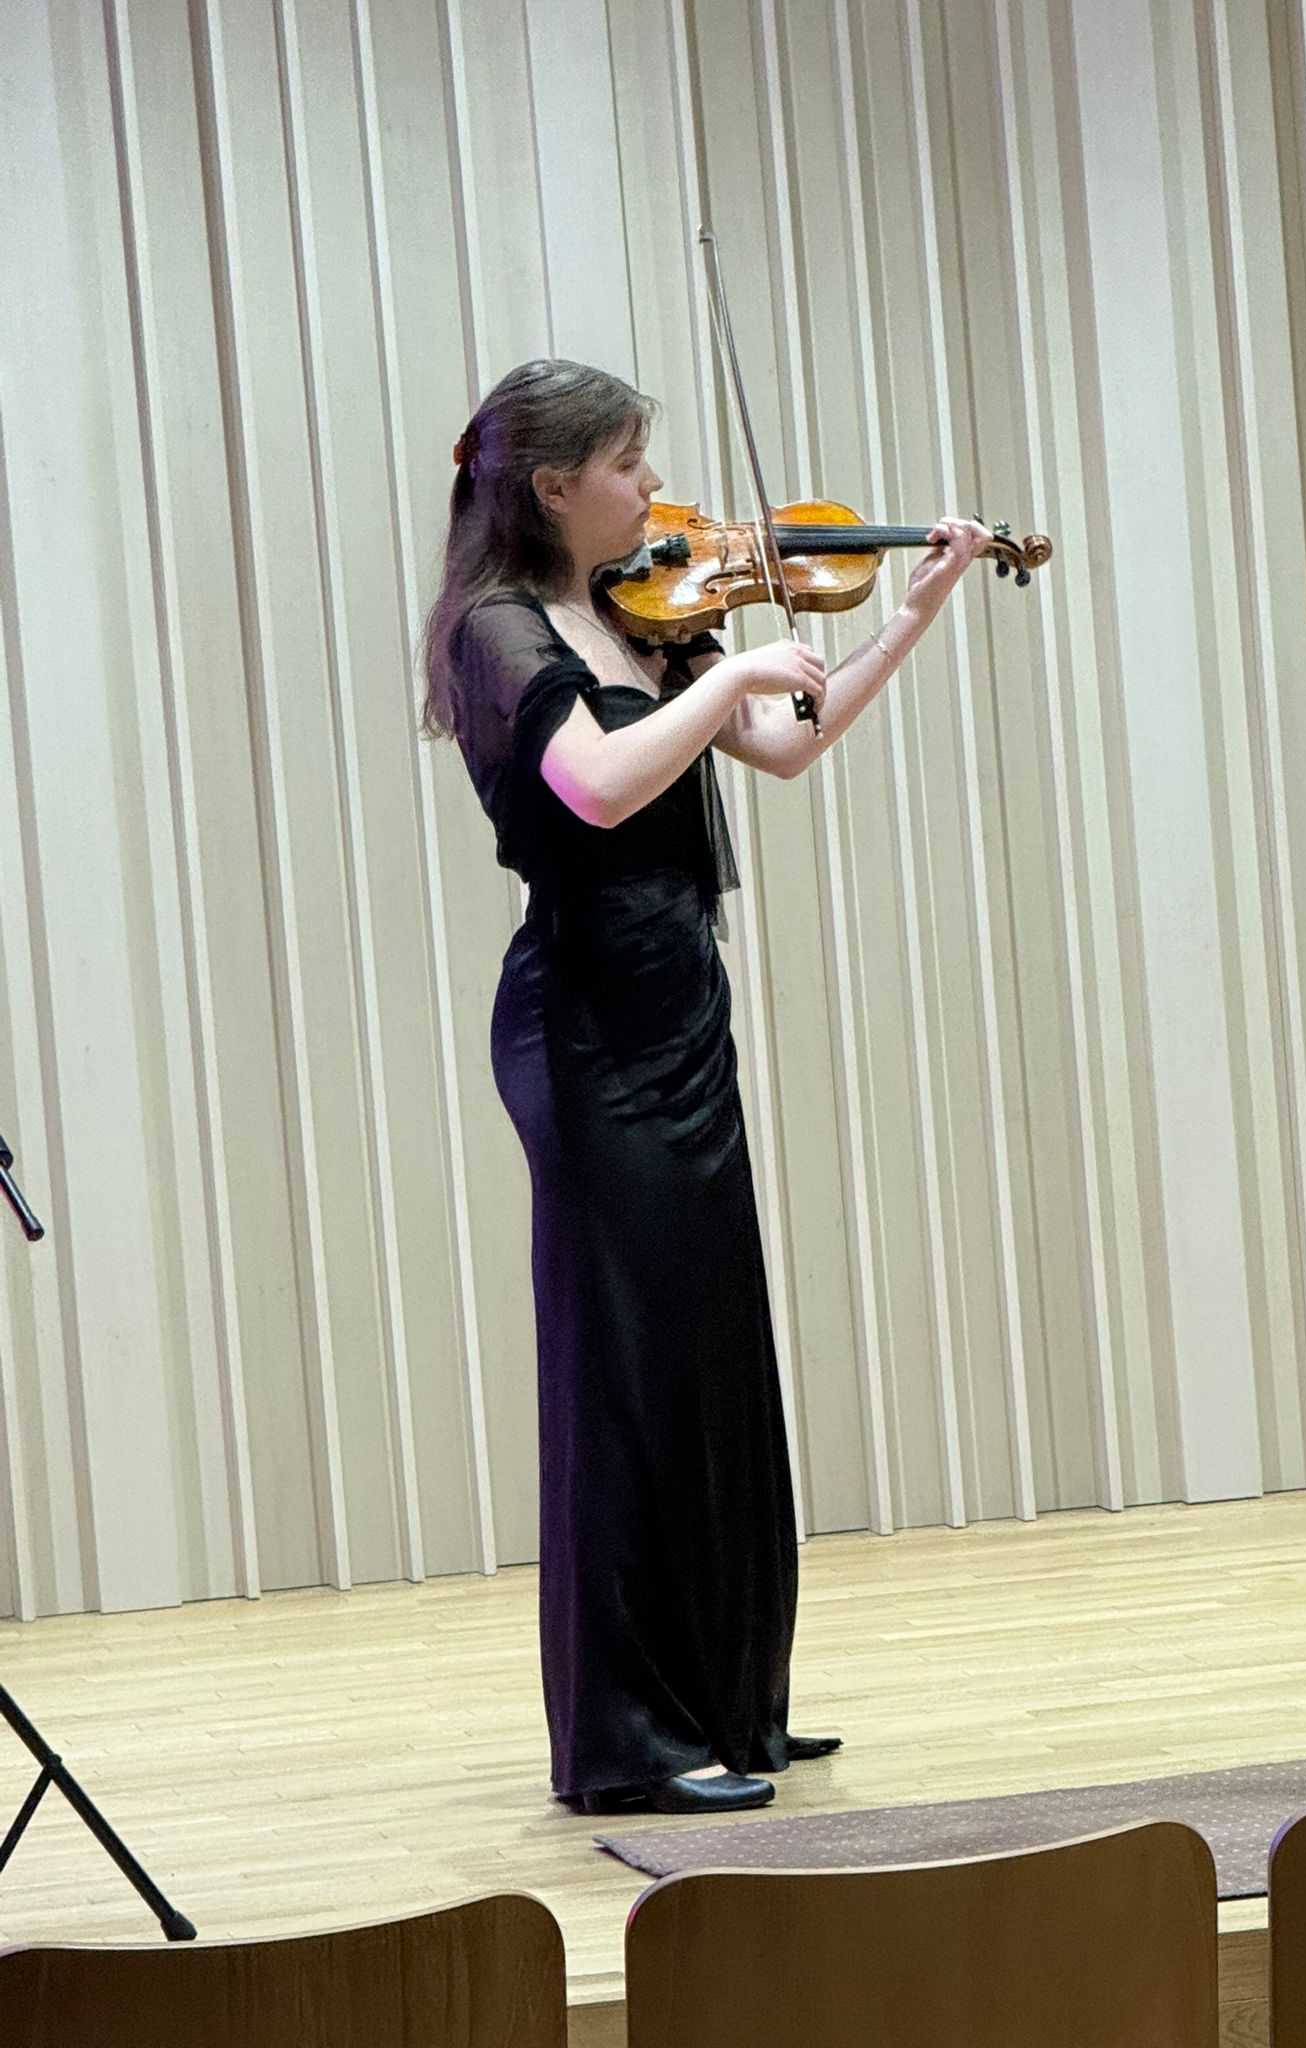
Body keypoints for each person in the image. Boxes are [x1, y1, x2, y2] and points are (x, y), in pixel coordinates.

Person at [422, 357, 992, 1817]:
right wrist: (730, 670)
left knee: (710, 1356)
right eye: (628, 464)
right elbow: (597, 785)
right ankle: (627, 1743)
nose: (656, 489)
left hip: (679, 1009)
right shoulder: (497, 627)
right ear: (554, 486)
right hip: (587, 1026)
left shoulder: (640, 610)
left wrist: (911, 612)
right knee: (625, 1373)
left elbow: (786, 747)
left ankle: (729, 1697)